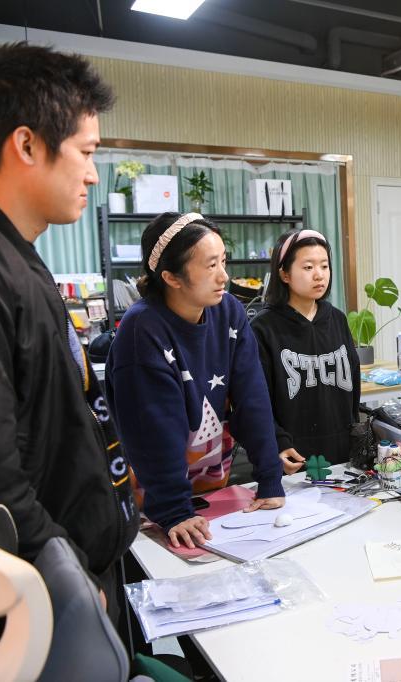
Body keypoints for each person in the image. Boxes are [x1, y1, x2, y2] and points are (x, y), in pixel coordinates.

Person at [0, 43, 138, 618]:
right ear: (26, 144)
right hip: (46, 590)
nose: (93, 173)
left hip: (80, 563)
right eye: (86, 152)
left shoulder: (19, 256)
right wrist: (61, 569)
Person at [106, 212, 285, 550]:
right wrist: (174, 511)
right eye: (210, 265)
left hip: (211, 482)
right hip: (152, 492)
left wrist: (270, 478)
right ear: (171, 277)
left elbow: (252, 397)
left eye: (223, 261)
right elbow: (152, 431)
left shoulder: (229, 311)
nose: (224, 276)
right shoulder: (141, 329)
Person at [251, 229, 360, 470]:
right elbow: (256, 399)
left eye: (324, 266)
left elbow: (353, 386)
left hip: (342, 453)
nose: (319, 275)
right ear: (284, 274)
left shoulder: (337, 319)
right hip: (293, 456)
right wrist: (278, 443)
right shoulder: (263, 328)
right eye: (308, 267)